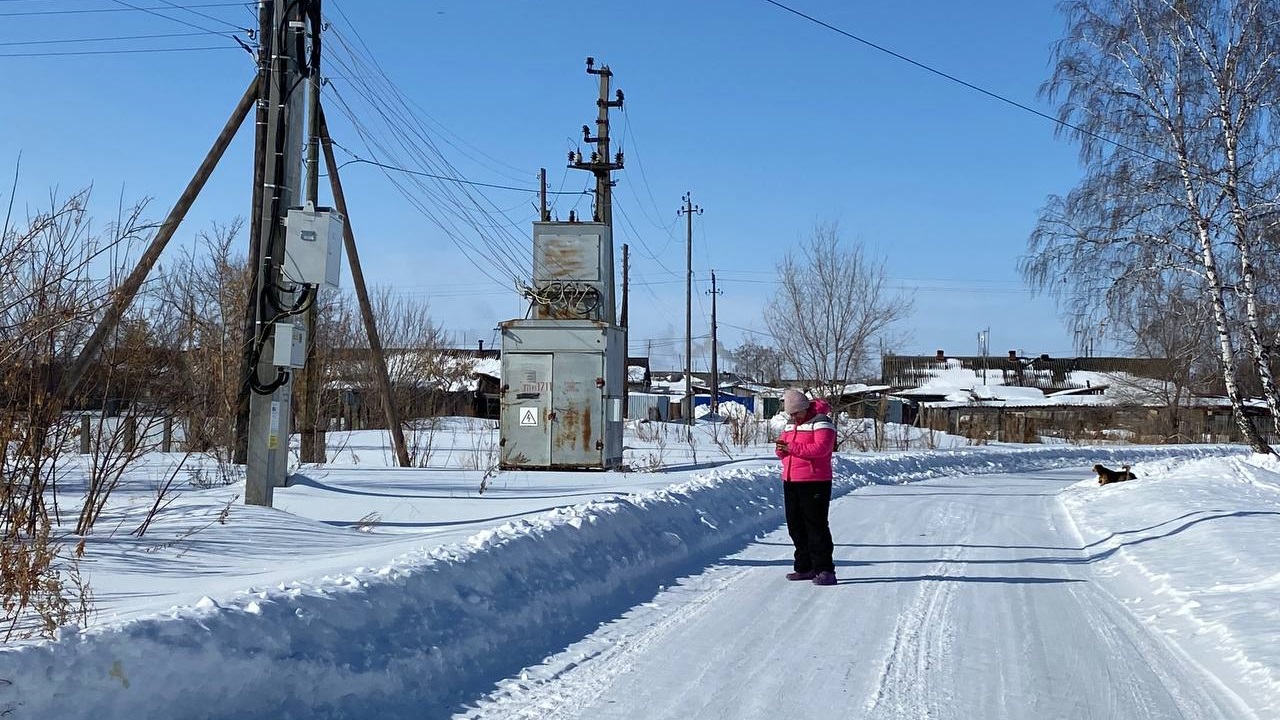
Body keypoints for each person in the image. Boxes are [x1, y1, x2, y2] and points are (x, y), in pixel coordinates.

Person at [774, 388, 838, 586]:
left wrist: (791, 448)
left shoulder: (821, 422)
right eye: (790, 413)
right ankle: (805, 566)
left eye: (795, 412)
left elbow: (821, 449)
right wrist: (780, 450)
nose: (793, 416)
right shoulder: (791, 424)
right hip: (791, 479)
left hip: (815, 481)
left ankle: (825, 569)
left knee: (815, 526)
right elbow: (784, 446)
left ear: (804, 407)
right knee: (796, 526)